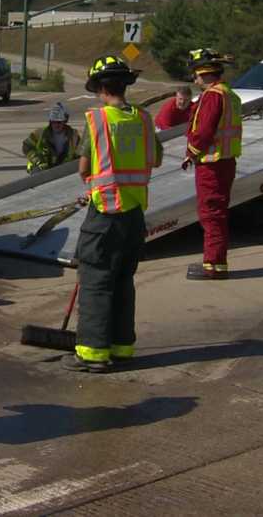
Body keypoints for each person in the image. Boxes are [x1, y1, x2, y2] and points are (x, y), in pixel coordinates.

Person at [65, 55, 163, 373]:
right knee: (123, 280)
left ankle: (93, 353)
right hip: (134, 214)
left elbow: (84, 168)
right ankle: (121, 347)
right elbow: (156, 159)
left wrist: (96, 184)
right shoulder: (144, 119)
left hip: (105, 214)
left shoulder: (97, 120)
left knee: (96, 280)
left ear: (100, 88)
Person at [182, 48, 243, 281]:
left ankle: (213, 265)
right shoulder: (229, 94)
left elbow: (204, 131)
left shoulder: (212, 96)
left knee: (211, 214)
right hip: (225, 161)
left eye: (195, 74)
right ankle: (216, 262)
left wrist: (190, 153)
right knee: (217, 213)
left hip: (212, 164)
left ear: (204, 72)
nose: (194, 79)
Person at [22, 102, 82, 173]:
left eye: (59, 122)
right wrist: (38, 161)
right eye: (54, 122)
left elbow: (80, 154)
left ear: (64, 121)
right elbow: (26, 146)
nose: (56, 125)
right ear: (50, 121)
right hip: (41, 169)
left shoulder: (73, 135)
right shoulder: (40, 133)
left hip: (64, 170)